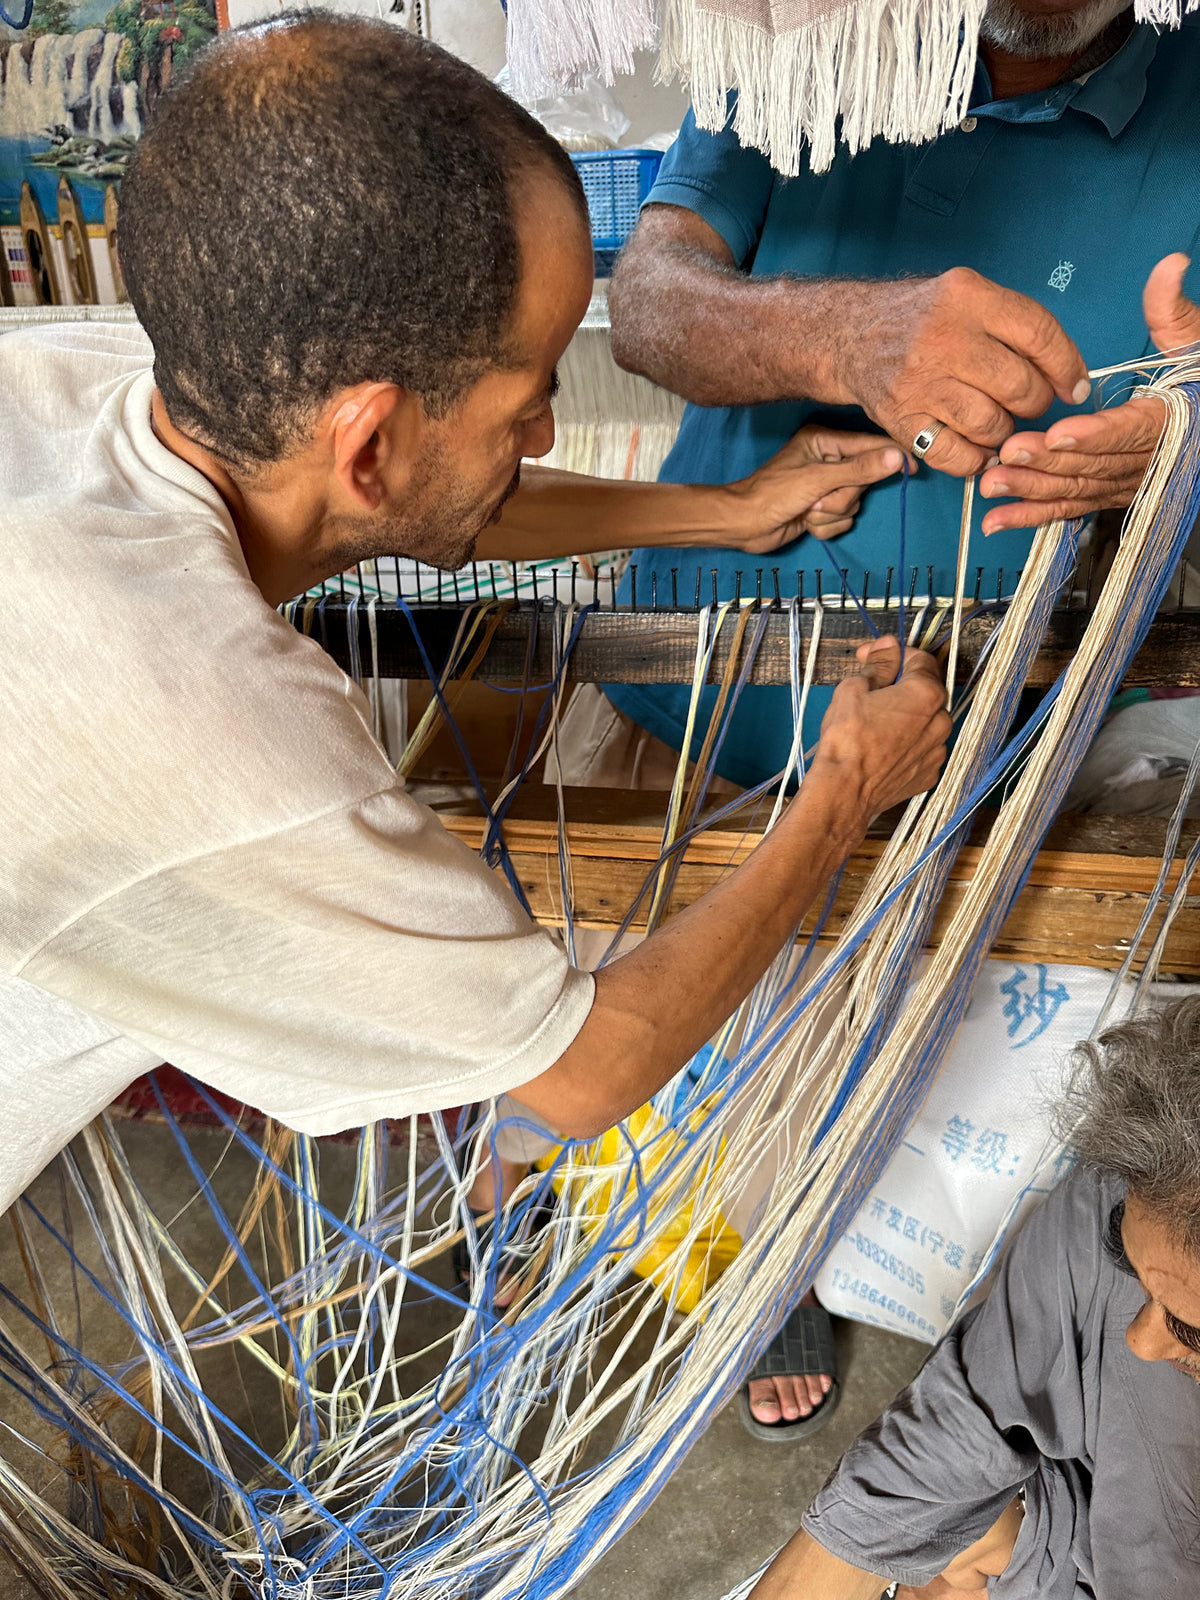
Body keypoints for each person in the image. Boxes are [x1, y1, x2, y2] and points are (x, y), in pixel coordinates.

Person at [0, 14, 950, 1220]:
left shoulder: (74, 384)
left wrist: (724, 508)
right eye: (528, 401)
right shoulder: (215, 742)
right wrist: (843, 796)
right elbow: (584, 1066)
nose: (545, 433)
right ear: (371, 439)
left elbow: (417, 497)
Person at [561, 0, 1200, 1432]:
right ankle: (764, 1252)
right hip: (710, 676)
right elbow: (652, 306)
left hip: (1009, 709)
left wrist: (1182, 430)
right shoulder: (809, 39)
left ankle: (858, 1231)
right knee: (712, 1006)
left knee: (926, 1021)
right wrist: (847, 336)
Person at [743, 995, 1200, 1599]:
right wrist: (1022, 1537)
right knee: (943, 1551)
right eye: (1136, 1278)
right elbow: (968, 1415)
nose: (1139, 1340)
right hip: (1075, 1542)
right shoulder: (1139, 1190)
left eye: (1189, 1330)